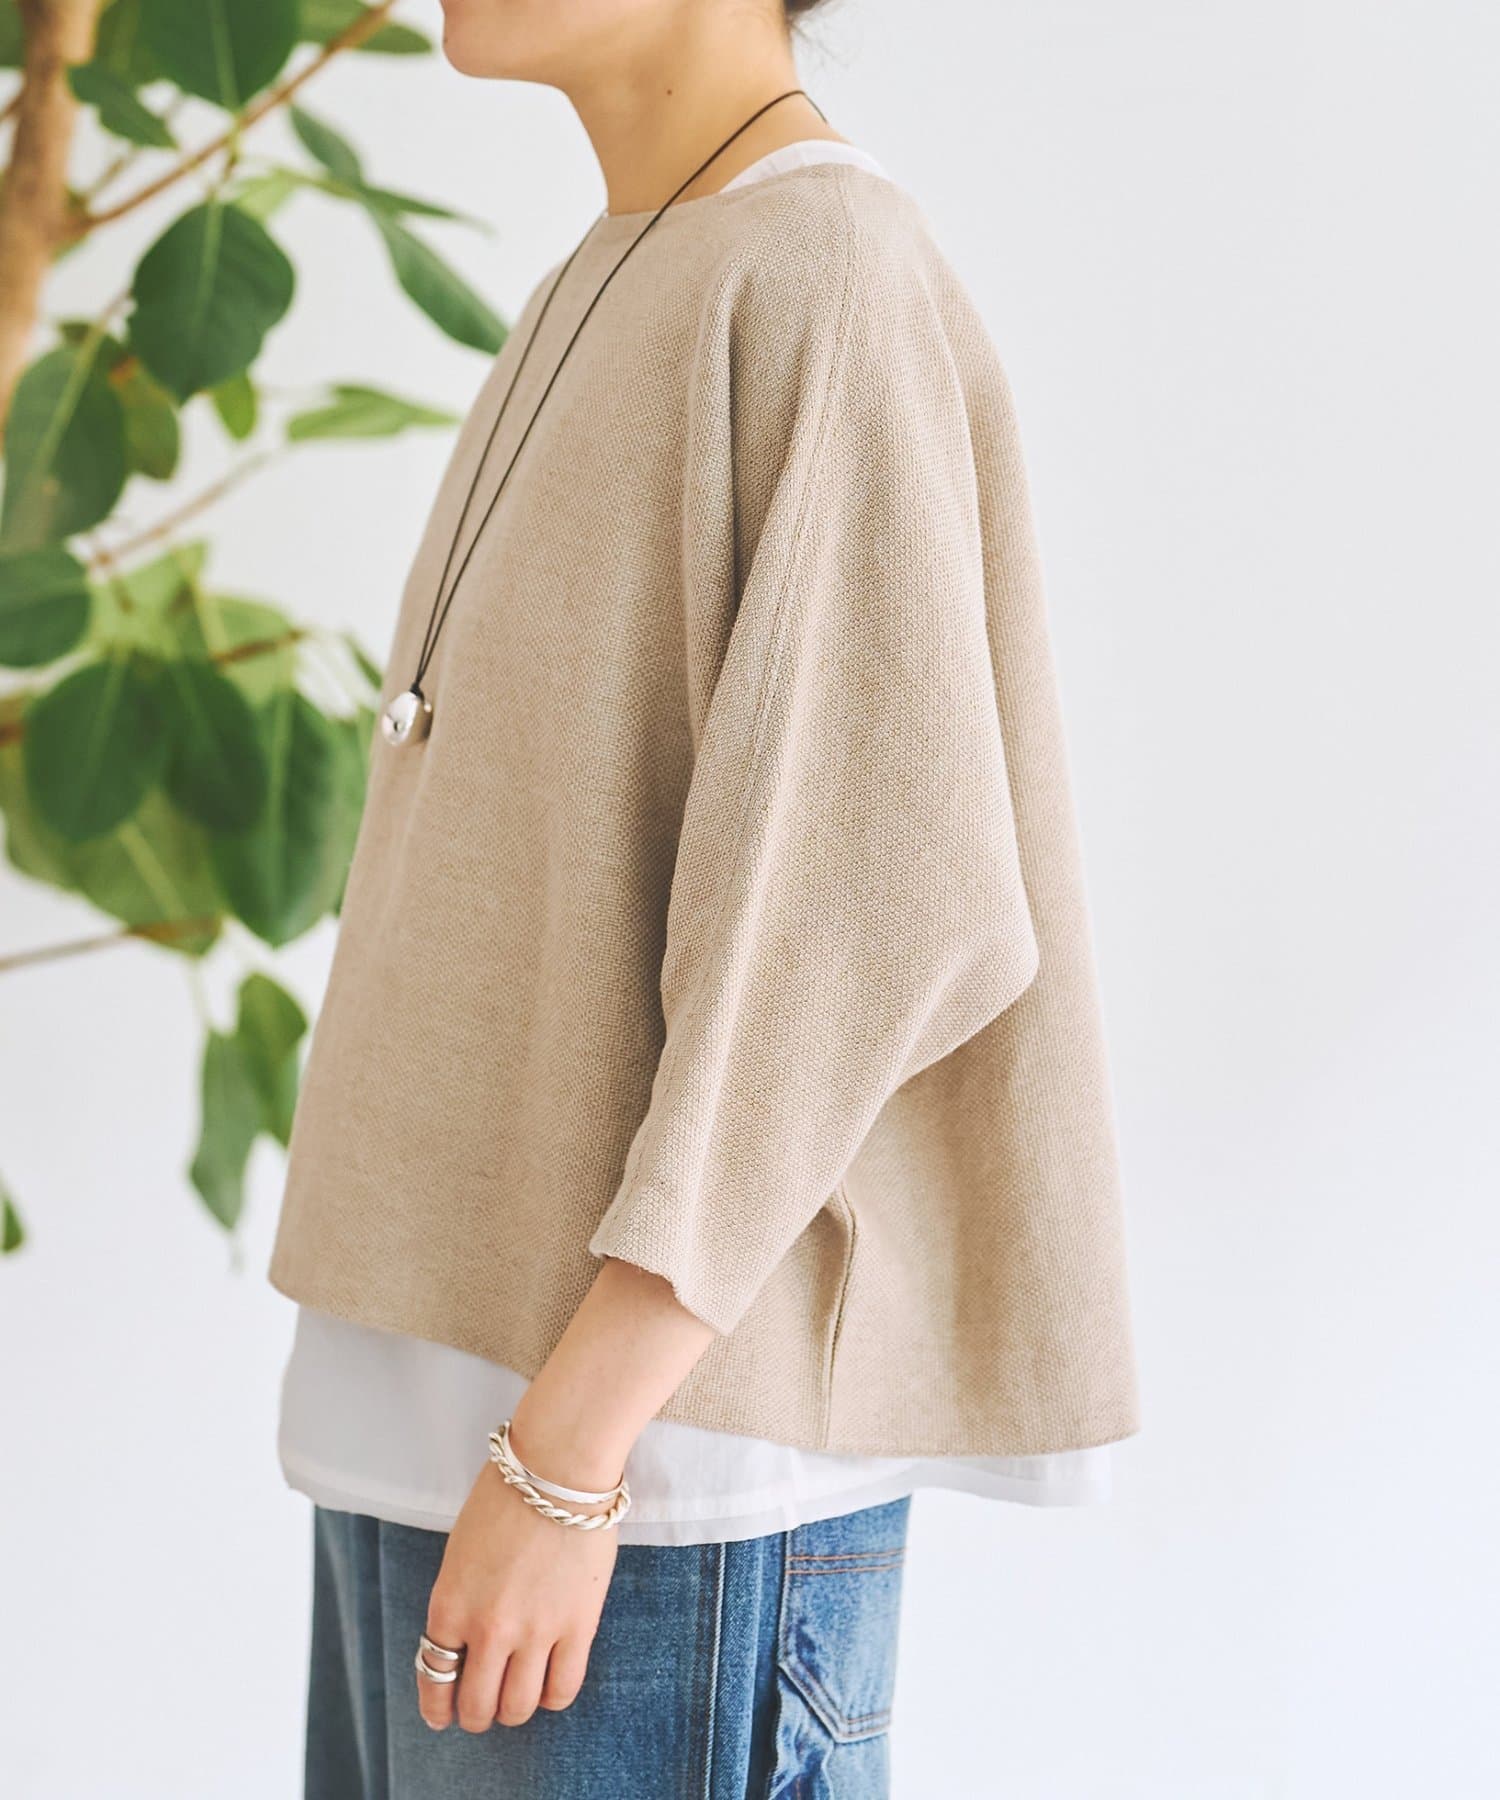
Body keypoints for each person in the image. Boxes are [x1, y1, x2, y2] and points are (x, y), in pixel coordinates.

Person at [267, 0, 1141, 1793]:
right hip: (455, 1449)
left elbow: (873, 916)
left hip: (638, 1506)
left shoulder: (825, 272)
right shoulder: (620, 267)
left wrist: (566, 1456)